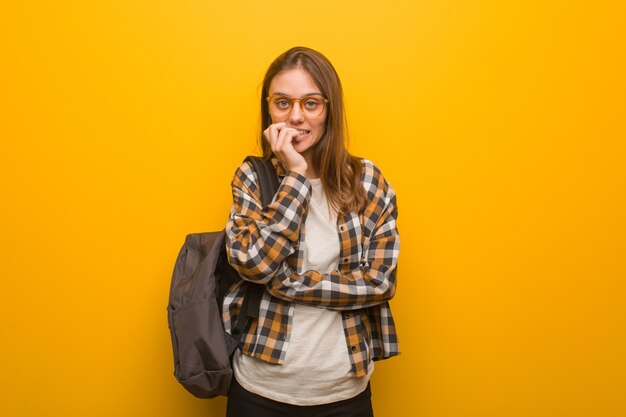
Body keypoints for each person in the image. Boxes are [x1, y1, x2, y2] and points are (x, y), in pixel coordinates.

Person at [223, 46, 400, 417]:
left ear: (329, 109)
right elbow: (254, 265)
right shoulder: (254, 177)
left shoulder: (368, 182)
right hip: (260, 390)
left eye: (311, 103)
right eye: (283, 103)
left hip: (344, 394)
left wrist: (291, 284)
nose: (296, 116)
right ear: (268, 108)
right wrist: (297, 177)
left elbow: (380, 282)